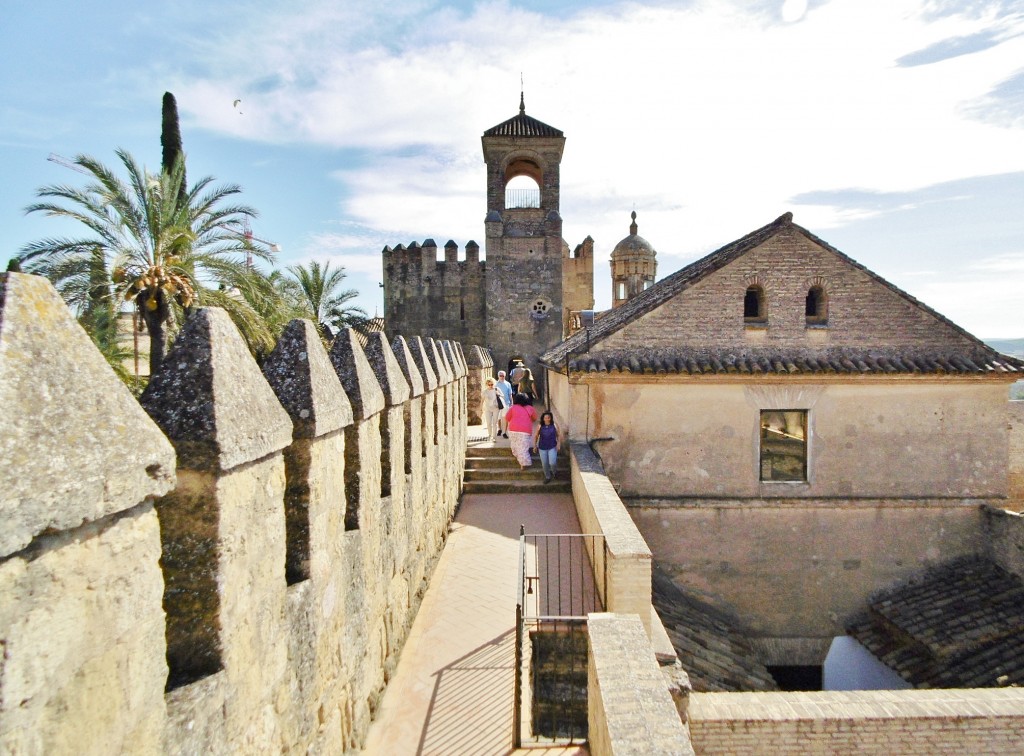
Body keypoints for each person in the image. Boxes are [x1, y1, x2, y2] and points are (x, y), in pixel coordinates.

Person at [505, 393, 538, 469]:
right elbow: (535, 418)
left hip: (513, 429)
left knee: (515, 445)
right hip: (525, 430)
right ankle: (523, 463)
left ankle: (520, 460)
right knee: (523, 448)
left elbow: (507, 418)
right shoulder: (530, 408)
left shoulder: (512, 408)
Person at [532, 411, 562, 484]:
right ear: (543, 418)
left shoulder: (554, 425)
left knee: (552, 463)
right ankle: (548, 477)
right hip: (542, 447)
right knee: (545, 464)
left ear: (550, 418)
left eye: (548, 417)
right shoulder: (540, 426)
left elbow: (558, 435)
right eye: (545, 418)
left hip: (552, 446)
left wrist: (558, 444)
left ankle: (554, 472)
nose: (547, 419)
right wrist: (535, 445)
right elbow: (536, 436)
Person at [494, 370, 513, 438]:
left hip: (506, 403)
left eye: (503, 376)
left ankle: (504, 432)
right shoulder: (495, 384)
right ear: (498, 376)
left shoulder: (508, 384)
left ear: (505, 376)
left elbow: (510, 394)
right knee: (498, 418)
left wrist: (511, 403)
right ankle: (500, 429)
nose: (502, 377)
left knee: (506, 418)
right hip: (498, 403)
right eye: (500, 376)